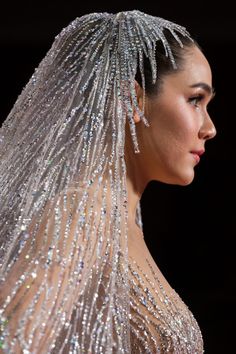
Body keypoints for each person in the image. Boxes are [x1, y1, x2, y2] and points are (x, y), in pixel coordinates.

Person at [0, 10, 216, 353]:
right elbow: (10, 337)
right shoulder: (84, 211)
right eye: (195, 100)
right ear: (133, 100)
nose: (210, 128)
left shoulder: (117, 217)